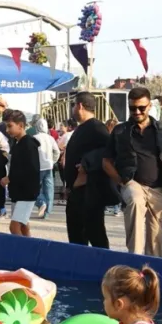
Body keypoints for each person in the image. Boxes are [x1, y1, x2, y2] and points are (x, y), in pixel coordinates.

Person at [103, 87, 162, 255]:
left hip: (160, 189)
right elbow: (106, 161)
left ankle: (153, 268)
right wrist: (122, 181)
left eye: (141, 108)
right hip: (133, 183)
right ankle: (134, 259)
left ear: (149, 106)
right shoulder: (120, 131)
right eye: (132, 108)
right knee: (136, 202)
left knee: (155, 240)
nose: (137, 112)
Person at [64, 93, 112, 248]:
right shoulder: (82, 128)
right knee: (76, 236)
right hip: (76, 191)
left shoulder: (96, 127)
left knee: (95, 234)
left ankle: (103, 263)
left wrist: (87, 164)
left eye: (73, 105)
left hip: (90, 192)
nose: (72, 109)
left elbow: (109, 151)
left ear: (80, 106)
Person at [2, 109, 40, 237]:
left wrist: (11, 178)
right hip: (18, 192)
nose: (7, 130)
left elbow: (32, 169)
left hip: (27, 192)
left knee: (14, 227)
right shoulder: (17, 143)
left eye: (10, 126)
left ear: (21, 125)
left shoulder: (28, 144)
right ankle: (29, 248)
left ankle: (20, 248)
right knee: (23, 226)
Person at [33, 117, 60, 219]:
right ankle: (47, 213)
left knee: (33, 189)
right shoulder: (50, 138)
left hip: (37, 167)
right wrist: (53, 161)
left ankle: (41, 202)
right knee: (49, 190)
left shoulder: (34, 138)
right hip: (49, 167)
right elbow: (57, 151)